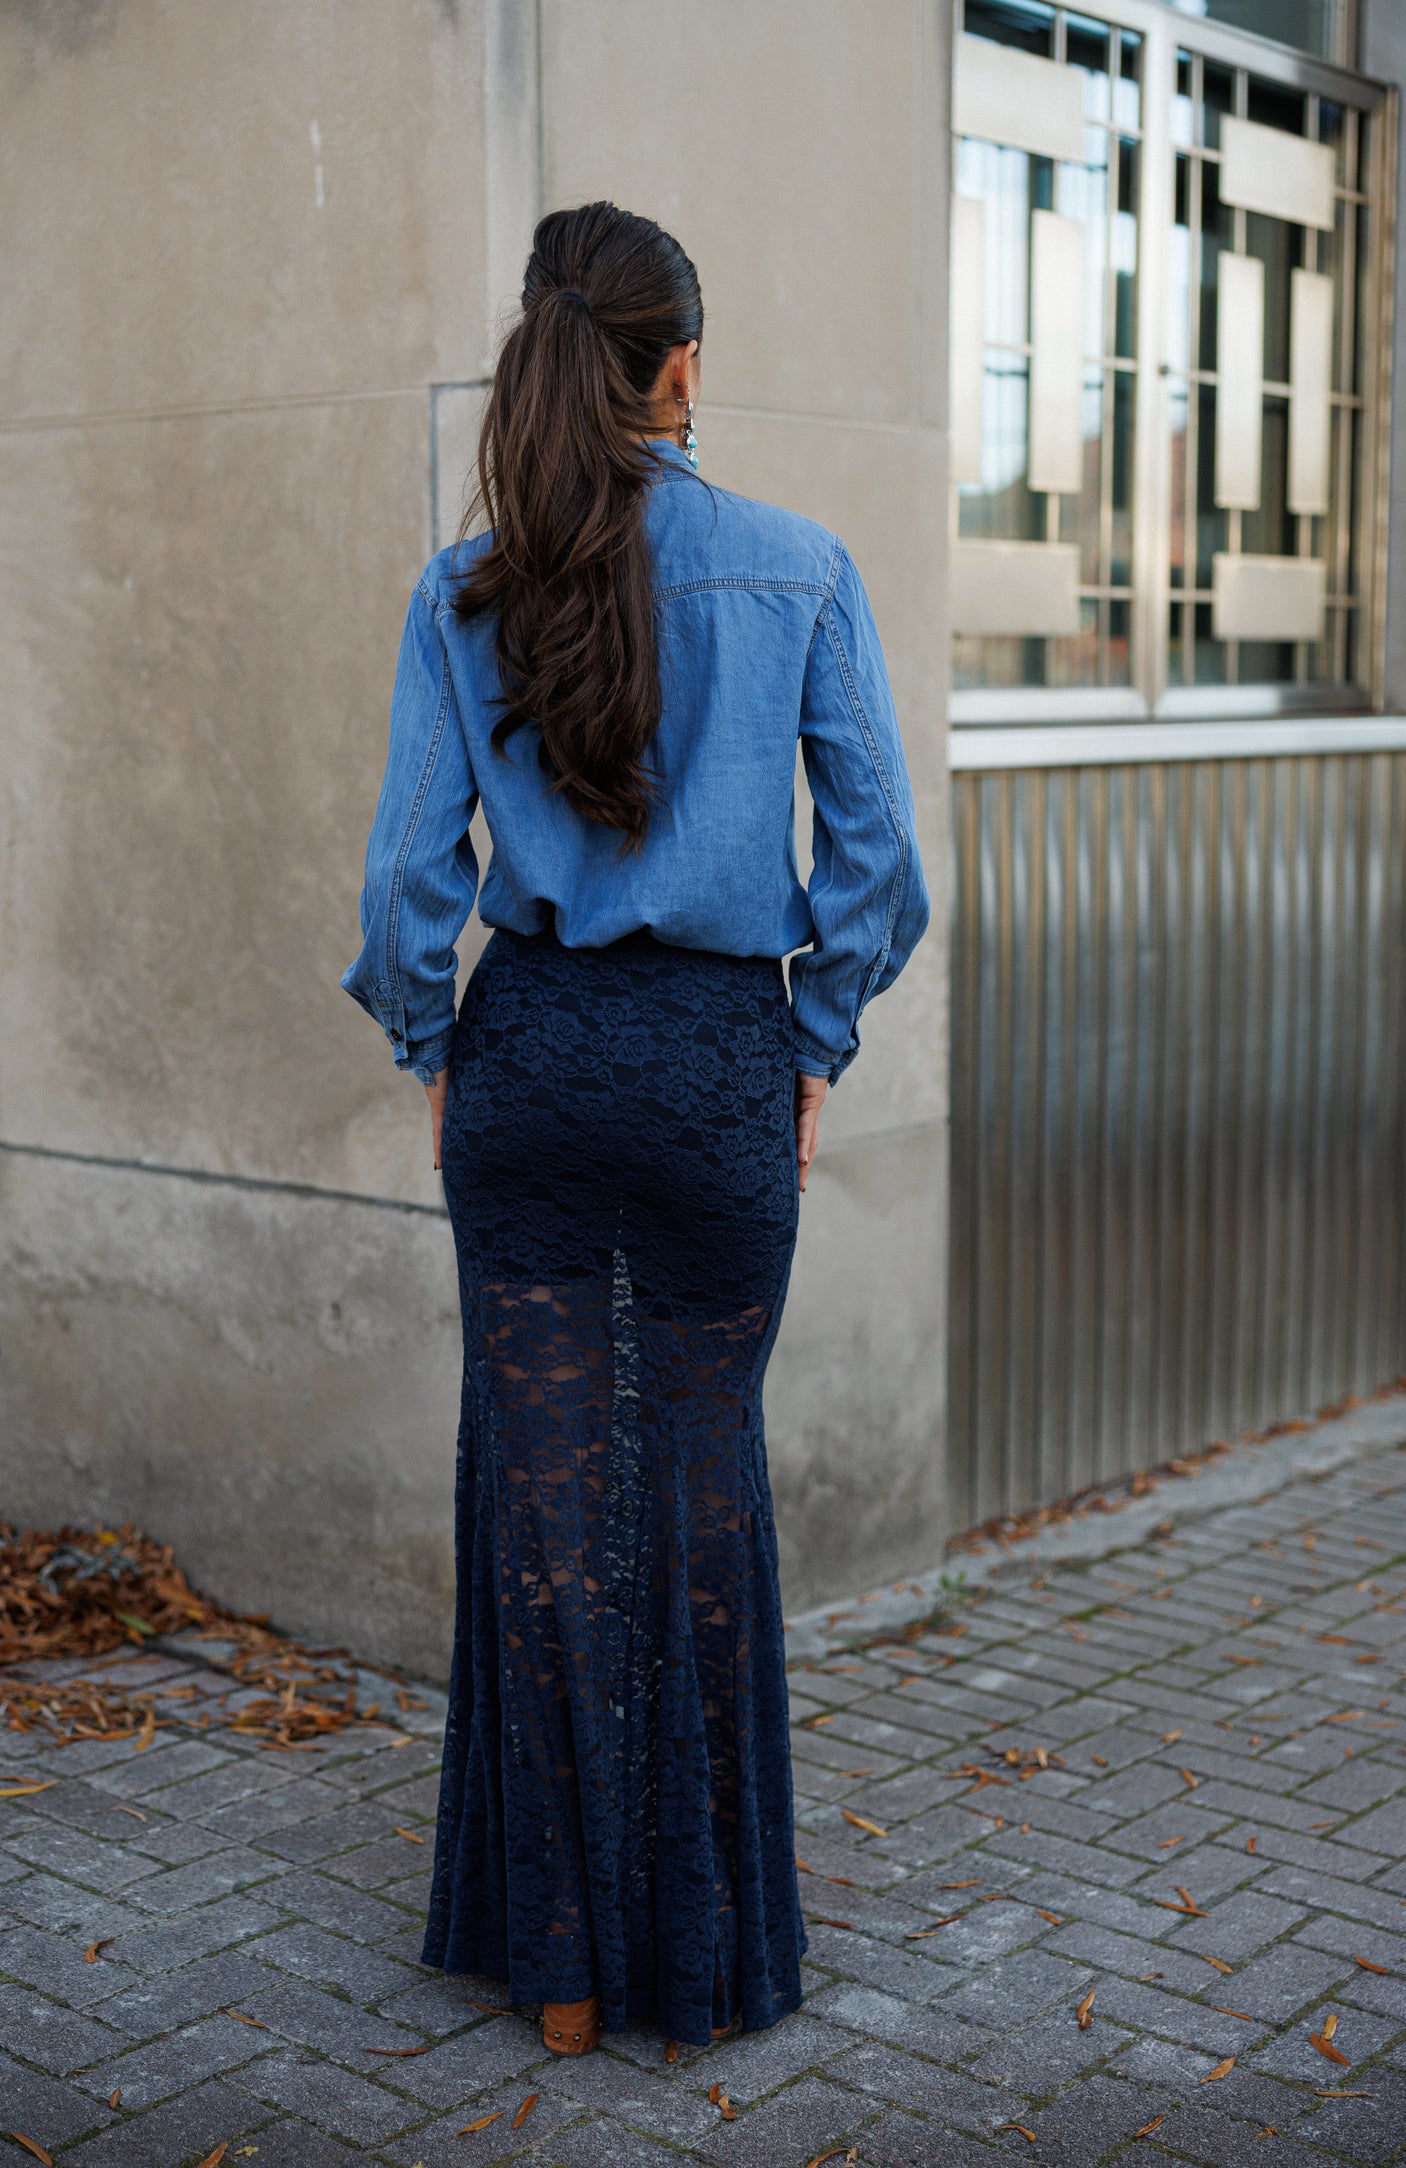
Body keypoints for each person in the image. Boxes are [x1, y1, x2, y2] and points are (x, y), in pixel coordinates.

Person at [342, 199, 929, 2057]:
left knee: (536, 1501)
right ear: (677, 365)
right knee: (696, 1491)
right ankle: (699, 1965)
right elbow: (881, 873)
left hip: (529, 1062)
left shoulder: (464, 590)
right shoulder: (800, 566)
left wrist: (435, 1042)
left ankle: (564, 1979)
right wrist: (809, 1043)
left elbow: (403, 887)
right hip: (709, 1070)